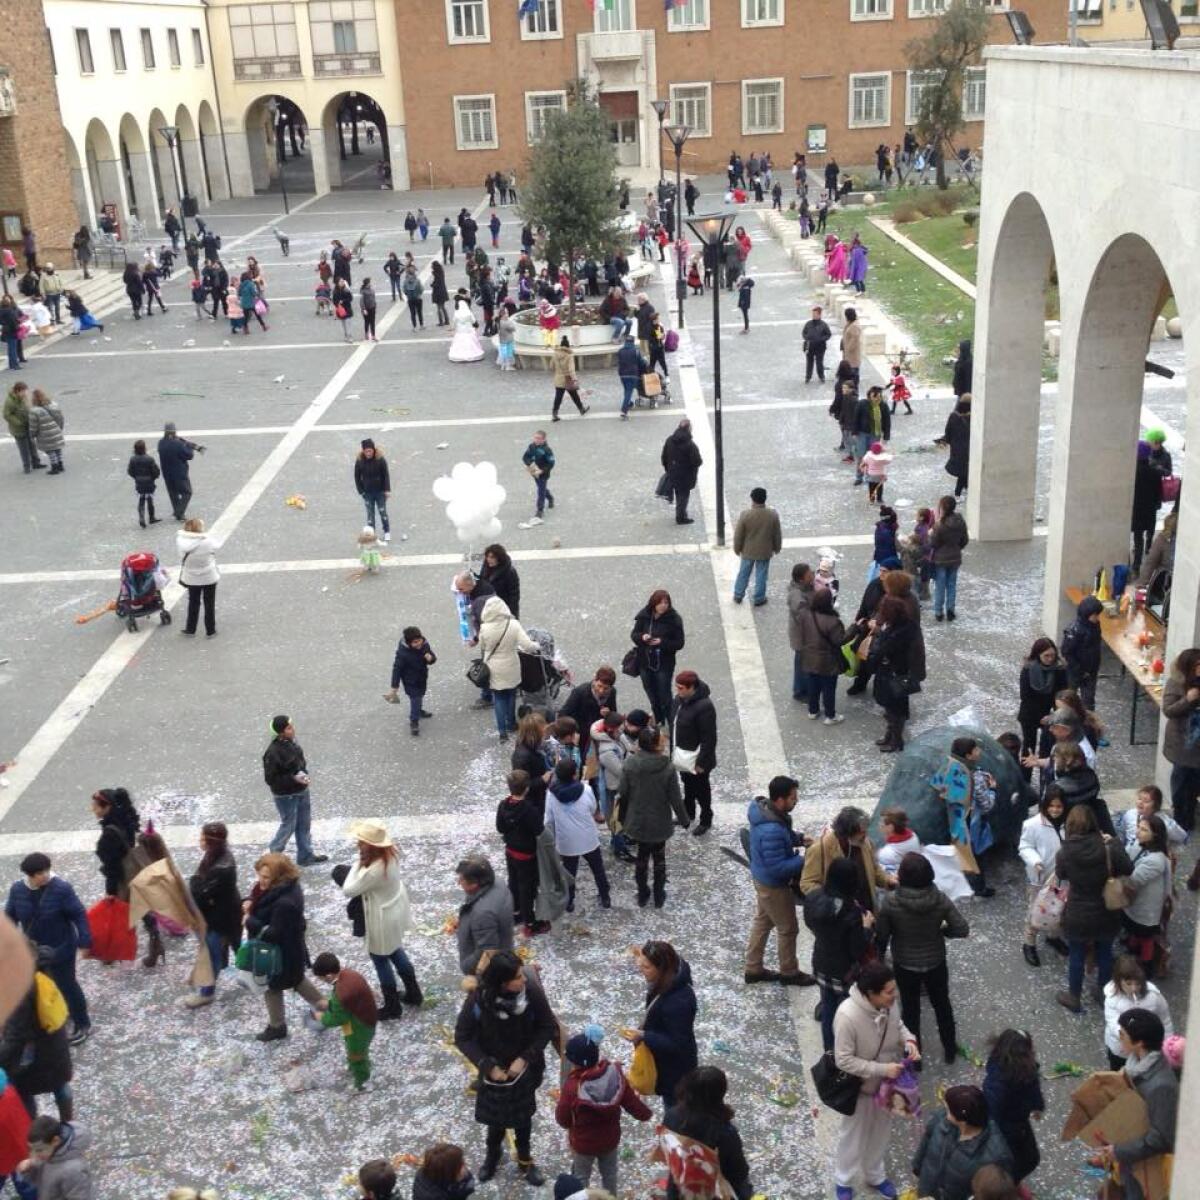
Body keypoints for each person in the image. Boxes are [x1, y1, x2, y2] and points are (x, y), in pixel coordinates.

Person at [453, 949, 555, 1186]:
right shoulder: (479, 1000)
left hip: (525, 1071)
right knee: (495, 1119)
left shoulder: (531, 994)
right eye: (518, 977)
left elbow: (546, 1026)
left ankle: (525, 1159)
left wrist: (525, 1058)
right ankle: (492, 1155)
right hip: (493, 1072)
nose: (525, 979)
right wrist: (487, 1066)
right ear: (502, 983)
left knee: (523, 1119)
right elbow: (463, 1036)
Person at [832, 961, 919, 1200]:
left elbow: (899, 1026)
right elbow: (843, 1060)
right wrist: (882, 1069)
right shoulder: (847, 1016)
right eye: (889, 992)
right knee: (853, 1135)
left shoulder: (890, 1005)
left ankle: (875, 1174)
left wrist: (909, 1041)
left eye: (894, 989)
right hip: (859, 1088)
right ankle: (843, 1179)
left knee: (881, 1133)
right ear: (871, 994)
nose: (895, 995)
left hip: (886, 1087)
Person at [876, 852, 969, 1063]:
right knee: (942, 1006)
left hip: (905, 963)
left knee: (910, 1011)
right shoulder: (940, 899)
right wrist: (943, 931)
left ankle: (915, 1057)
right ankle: (949, 1050)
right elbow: (962, 929)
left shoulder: (891, 903)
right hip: (935, 961)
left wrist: (879, 957)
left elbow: (882, 935)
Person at [4, 856, 91, 1044]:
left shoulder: (61, 889)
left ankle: (82, 1023)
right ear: (30, 876)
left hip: (61, 948)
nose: (45, 876)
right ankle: (54, 1015)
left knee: (67, 985)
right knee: (41, 986)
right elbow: (10, 916)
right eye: (39, 873)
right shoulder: (18, 890)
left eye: (46, 871)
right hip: (34, 952)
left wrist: (84, 940)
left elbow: (78, 914)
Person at [1055, 804, 1132, 1012]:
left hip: (1078, 911)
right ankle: (1103, 991)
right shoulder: (1107, 847)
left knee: (1077, 953)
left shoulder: (1065, 851)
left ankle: (1074, 996)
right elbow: (1128, 868)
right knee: (1105, 952)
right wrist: (1114, 842)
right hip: (1106, 910)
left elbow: (1061, 875)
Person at [555, 1029, 651, 1194]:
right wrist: (645, 1114)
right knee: (610, 1174)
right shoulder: (615, 1075)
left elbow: (563, 1119)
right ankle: (611, 1197)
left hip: (583, 1144)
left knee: (581, 1177)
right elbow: (631, 1102)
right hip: (609, 1140)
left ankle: (580, 1197)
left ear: (575, 1063)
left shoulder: (572, 1087)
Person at [1095, 1009, 1178, 1199]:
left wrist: (1119, 1150)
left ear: (1139, 1043)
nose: (1119, 1037)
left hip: (1146, 1166)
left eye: (1122, 1034)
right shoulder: (1136, 1064)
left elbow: (1161, 1138)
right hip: (1132, 1156)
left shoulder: (1161, 1086)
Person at [341, 820, 421, 1018]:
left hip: (380, 918)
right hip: (393, 911)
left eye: (361, 842)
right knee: (395, 950)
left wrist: (357, 863)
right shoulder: (390, 856)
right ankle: (413, 992)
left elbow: (349, 889)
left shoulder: (374, 869)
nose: (358, 845)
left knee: (380, 959)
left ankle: (392, 1005)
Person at [242, 853, 324, 1041]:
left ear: (278, 878)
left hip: (281, 954)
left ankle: (277, 1026)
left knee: (272, 986)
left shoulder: (284, 902)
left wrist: (249, 921)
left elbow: (273, 933)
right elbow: (258, 898)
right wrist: (248, 902)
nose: (260, 880)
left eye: (265, 877)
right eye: (260, 875)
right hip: (288, 952)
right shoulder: (281, 889)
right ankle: (326, 1009)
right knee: (296, 980)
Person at [743, 776, 813, 987]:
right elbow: (777, 867)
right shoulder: (771, 829)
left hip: (762, 878)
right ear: (781, 799)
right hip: (773, 885)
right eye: (793, 797)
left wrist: (799, 839)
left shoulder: (769, 814)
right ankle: (789, 972)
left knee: (763, 922)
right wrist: (804, 859)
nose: (796, 800)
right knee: (788, 928)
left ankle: (753, 968)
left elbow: (784, 835)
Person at [804, 857, 874, 1051]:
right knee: (848, 1014)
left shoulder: (812, 898)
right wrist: (867, 928)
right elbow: (857, 950)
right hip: (845, 971)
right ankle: (847, 1051)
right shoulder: (850, 912)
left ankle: (829, 1052)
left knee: (828, 1009)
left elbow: (810, 924)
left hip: (821, 963)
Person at [617, 727, 689, 908]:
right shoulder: (667, 767)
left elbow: (623, 792)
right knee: (659, 858)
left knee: (641, 857)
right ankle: (659, 894)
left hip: (638, 820)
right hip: (660, 821)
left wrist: (622, 816)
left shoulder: (630, 764)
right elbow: (675, 798)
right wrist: (684, 819)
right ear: (656, 745)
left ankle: (642, 893)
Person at [623, 941, 697, 1110]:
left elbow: (678, 1042)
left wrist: (644, 1035)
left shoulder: (678, 1002)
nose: (642, 971)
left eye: (647, 967)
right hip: (668, 1064)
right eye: (641, 966)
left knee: (676, 1107)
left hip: (676, 1069)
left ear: (662, 968)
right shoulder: (666, 984)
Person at [661, 1067, 753, 1200]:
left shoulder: (671, 1116)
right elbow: (738, 1172)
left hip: (680, 1184)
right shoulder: (725, 1133)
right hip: (712, 1190)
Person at [912, 1084, 1015, 1200]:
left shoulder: (997, 1156)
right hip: (928, 1191)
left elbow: (993, 1193)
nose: (945, 1113)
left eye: (949, 1111)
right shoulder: (942, 1118)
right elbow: (927, 1138)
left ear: (963, 1121)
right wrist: (917, 1167)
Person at [184, 822, 240, 1009]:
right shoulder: (215, 857)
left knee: (211, 955)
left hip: (218, 919)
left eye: (202, 838)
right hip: (220, 914)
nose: (199, 841)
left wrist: (194, 883)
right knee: (220, 950)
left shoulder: (221, 867)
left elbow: (200, 892)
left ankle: (207, 992)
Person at [546, 758, 611, 911]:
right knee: (598, 868)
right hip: (588, 837)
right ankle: (605, 896)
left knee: (569, 872)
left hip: (567, 841)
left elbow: (548, 819)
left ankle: (569, 901)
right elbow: (593, 807)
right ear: (575, 774)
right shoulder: (586, 790)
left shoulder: (551, 794)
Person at [982, 1030, 1045, 1186]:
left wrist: (1037, 1106)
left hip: (1016, 1122)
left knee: (1027, 1158)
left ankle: (1010, 1182)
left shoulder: (1024, 1070)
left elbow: (1033, 1088)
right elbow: (993, 1106)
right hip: (1009, 1127)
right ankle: (1008, 1185)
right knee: (1027, 1159)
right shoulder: (1002, 1078)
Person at [263, 716, 328, 867]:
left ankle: (305, 855)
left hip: (301, 790)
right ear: (280, 733)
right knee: (289, 825)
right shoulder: (273, 752)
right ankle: (274, 854)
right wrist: (294, 779)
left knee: (304, 824)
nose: (293, 730)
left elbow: (299, 764)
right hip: (286, 796)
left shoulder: (292, 744)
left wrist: (303, 775)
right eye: (289, 728)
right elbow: (271, 780)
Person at [310, 951, 378, 1091]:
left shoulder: (342, 993)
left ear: (328, 976)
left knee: (356, 1052)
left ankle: (363, 1082)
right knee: (353, 1046)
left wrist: (321, 1017)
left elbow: (337, 1018)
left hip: (359, 1026)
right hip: (360, 1019)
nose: (321, 981)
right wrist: (330, 1004)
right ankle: (355, 1064)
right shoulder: (350, 974)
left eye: (321, 978)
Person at [800, 805, 889, 910]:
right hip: (840, 915)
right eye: (861, 832)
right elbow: (807, 883)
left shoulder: (865, 842)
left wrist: (887, 880)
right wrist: (833, 902)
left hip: (866, 908)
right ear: (847, 833)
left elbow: (874, 868)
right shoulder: (819, 849)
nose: (865, 835)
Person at [477, 596, 540, 742]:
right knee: (511, 694)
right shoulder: (513, 624)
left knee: (498, 698)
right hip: (511, 665)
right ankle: (511, 723)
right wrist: (537, 645)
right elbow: (527, 645)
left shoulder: (484, 628)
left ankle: (502, 732)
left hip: (493, 667)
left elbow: (483, 646)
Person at [1018, 788, 1067, 966]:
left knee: (1057, 908)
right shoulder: (1032, 824)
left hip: (1060, 878)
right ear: (1045, 806)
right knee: (1035, 910)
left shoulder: (1067, 823)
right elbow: (1024, 846)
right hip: (1039, 877)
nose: (1055, 810)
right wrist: (1035, 861)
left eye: (1059, 806)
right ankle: (1029, 943)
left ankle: (1053, 937)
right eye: (1051, 806)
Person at [869, 595, 919, 752]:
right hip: (900, 672)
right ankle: (891, 736)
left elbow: (881, 650)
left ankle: (896, 740)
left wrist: (879, 633)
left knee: (894, 710)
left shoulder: (896, 633)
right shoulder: (907, 626)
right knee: (894, 709)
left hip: (893, 673)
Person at [1122, 813, 1171, 972]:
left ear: (1154, 835)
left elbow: (1134, 880)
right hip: (1136, 904)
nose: (1138, 832)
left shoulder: (1156, 860)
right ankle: (1133, 951)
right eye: (1138, 827)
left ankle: (1146, 965)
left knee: (1145, 937)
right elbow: (1126, 855)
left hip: (1146, 909)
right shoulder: (1140, 844)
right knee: (1136, 931)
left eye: (1143, 830)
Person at [670, 670, 717, 836]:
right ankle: (688, 813)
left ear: (692, 688)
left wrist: (701, 763)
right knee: (688, 786)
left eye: (681, 688)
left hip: (697, 759)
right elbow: (673, 726)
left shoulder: (705, 706)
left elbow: (709, 738)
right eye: (677, 687)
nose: (678, 691)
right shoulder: (679, 700)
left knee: (702, 790)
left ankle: (706, 818)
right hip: (683, 756)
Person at [497, 770, 543, 932]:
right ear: (527, 788)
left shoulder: (503, 805)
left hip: (510, 850)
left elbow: (500, 827)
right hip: (526, 854)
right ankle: (529, 922)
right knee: (527, 887)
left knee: (513, 882)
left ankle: (515, 912)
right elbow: (539, 830)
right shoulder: (529, 810)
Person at [631, 590, 685, 725]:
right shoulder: (645, 616)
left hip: (664, 664)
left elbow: (679, 643)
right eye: (660, 603)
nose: (663, 606)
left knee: (665, 695)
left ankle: (671, 721)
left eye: (666, 603)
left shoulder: (674, 619)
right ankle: (658, 719)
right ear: (654, 604)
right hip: (645, 662)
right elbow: (634, 634)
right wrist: (642, 637)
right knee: (651, 693)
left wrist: (662, 642)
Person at [1161, 646, 1200, 832]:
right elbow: (1169, 710)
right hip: (1183, 743)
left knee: (1194, 784)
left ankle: (1189, 815)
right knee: (1180, 782)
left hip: (1198, 743)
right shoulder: (1176, 682)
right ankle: (1180, 818)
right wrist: (1188, 699)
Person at [454, 856, 515, 973]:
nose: (458, 883)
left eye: (462, 880)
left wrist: (467, 967)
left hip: (491, 969)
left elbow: (487, 951)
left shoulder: (483, 913)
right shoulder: (498, 883)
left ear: (474, 884)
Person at [797, 587, 846, 724]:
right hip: (828, 661)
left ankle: (813, 710)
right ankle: (830, 715)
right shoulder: (833, 621)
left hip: (810, 657)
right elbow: (839, 640)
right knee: (829, 688)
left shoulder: (806, 615)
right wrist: (855, 629)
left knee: (813, 684)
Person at [13, 1116, 93, 1199]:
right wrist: (30, 1168)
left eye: (39, 1150)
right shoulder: (49, 1152)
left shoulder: (74, 1172)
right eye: (30, 1149)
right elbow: (43, 1175)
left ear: (55, 1141)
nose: (33, 1156)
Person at [1017, 638, 1069, 766]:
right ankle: (1025, 777)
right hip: (1030, 713)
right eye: (1046, 656)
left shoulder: (1059, 670)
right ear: (1038, 655)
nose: (1050, 659)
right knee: (1029, 747)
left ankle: (1045, 776)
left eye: (1052, 655)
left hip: (1051, 714)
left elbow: (1062, 695)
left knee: (1047, 747)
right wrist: (1040, 717)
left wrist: (1054, 716)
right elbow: (1025, 696)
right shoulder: (1028, 669)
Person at [731, 487, 782, 606]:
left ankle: (738, 594)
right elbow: (777, 533)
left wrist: (737, 548)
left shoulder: (745, 515)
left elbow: (739, 535)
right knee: (761, 574)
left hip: (748, 550)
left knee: (743, 573)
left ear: (752, 499)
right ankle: (759, 598)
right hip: (764, 550)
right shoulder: (772, 515)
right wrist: (777, 547)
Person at [386, 626, 437, 736]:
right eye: (415, 642)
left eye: (419, 641)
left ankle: (418, 710)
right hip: (410, 681)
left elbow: (432, 658)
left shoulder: (424, 644)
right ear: (409, 643)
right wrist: (394, 686)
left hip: (422, 676)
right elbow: (397, 669)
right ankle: (414, 721)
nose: (418, 644)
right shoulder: (402, 654)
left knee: (421, 694)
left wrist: (431, 658)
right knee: (416, 698)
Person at [1114, 784, 1188, 856]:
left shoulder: (1165, 822)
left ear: (1156, 805)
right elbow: (1122, 832)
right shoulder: (1130, 814)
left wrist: (1170, 852)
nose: (1140, 802)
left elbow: (1182, 836)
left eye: (1146, 801)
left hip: (1151, 855)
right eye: (1139, 798)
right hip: (1129, 854)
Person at [177, 517, 220, 639]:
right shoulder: (207, 541)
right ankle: (210, 630)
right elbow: (217, 545)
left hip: (191, 576)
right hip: (208, 575)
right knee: (209, 603)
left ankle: (190, 629)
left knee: (193, 602)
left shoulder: (180, 541)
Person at [561, 667, 618, 758]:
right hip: (580, 733)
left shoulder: (612, 692)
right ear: (595, 680)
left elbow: (614, 714)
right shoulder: (580, 692)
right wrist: (573, 732)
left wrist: (609, 714)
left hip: (598, 732)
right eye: (599, 686)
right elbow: (563, 714)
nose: (601, 691)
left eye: (606, 688)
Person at [930, 496, 969, 623]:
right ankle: (950, 610)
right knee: (952, 584)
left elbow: (933, 543)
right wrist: (957, 548)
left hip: (940, 559)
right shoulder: (960, 521)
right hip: (955, 557)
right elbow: (965, 540)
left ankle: (938, 612)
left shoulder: (939, 525)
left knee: (940, 586)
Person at [661, 419, 702, 525]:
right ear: (688, 428)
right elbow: (697, 461)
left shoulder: (669, 440)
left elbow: (664, 457)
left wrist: (668, 469)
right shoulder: (690, 444)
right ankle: (681, 517)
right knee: (683, 496)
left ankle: (681, 513)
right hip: (686, 475)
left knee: (678, 493)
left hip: (673, 473)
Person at [1131, 441, 1161, 574]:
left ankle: (1136, 565)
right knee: (1148, 534)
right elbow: (1159, 492)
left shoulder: (1133, 471)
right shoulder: (1155, 472)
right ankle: (1148, 557)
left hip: (1136, 508)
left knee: (1138, 537)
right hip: (1149, 509)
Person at [354, 439, 392, 546]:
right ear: (363, 451)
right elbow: (357, 477)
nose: (368, 453)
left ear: (374, 450)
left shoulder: (380, 460)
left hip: (380, 492)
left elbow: (386, 475)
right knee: (370, 515)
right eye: (366, 451)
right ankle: (372, 535)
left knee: (382, 512)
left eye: (370, 451)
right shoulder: (360, 461)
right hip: (367, 493)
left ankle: (387, 531)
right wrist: (361, 491)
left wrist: (387, 490)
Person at [157, 422, 197, 522]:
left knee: (173, 493)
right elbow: (189, 456)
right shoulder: (178, 444)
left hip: (166, 472)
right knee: (187, 492)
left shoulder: (161, 443)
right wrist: (189, 447)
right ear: (174, 432)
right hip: (179, 473)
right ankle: (179, 512)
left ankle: (178, 512)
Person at [410, 1143, 475, 1200]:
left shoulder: (428, 1172)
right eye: (461, 1165)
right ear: (449, 1172)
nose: (465, 1166)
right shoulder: (432, 1196)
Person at [938, 397, 972, 499]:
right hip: (969, 448)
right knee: (965, 470)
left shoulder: (953, 416)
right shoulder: (973, 417)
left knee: (963, 470)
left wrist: (946, 441)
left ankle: (961, 491)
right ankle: (960, 492)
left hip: (956, 448)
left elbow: (948, 432)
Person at [4, 383, 42, 473]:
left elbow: (28, 407)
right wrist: (18, 422)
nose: (25, 393)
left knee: (32, 445)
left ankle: (36, 463)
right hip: (18, 429)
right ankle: (27, 467)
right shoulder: (10, 401)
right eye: (23, 391)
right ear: (17, 391)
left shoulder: (23, 398)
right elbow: (7, 415)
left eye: (26, 391)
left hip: (28, 425)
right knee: (24, 449)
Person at [522, 428, 556, 524]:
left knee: (540, 490)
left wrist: (542, 471)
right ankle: (550, 498)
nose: (536, 440)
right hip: (534, 472)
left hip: (543, 474)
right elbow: (525, 457)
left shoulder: (547, 450)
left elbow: (551, 463)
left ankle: (540, 510)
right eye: (535, 438)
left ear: (543, 440)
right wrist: (530, 464)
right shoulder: (531, 446)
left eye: (538, 438)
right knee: (541, 488)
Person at [26, 391, 64, 475]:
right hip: (56, 430)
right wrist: (59, 428)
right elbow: (60, 418)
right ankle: (60, 465)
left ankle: (55, 468)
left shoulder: (34, 411)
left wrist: (32, 434)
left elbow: (33, 426)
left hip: (45, 433)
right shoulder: (53, 405)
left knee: (50, 451)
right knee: (57, 448)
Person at [126, 439, 162, 528]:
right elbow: (156, 471)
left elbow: (130, 471)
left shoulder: (133, 459)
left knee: (141, 500)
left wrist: (136, 477)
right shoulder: (149, 459)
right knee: (150, 500)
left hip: (139, 482)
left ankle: (141, 517)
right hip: (149, 482)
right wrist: (154, 477)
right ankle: (151, 517)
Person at [617, 334, 649, 420]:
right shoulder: (636, 351)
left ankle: (629, 403)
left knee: (627, 390)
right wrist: (645, 361)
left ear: (626, 342)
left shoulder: (620, 351)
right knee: (628, 392)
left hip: (622, 374)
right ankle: (624, 412)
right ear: (633, 342)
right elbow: (641, 362)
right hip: (632, 374)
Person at [449, 298, 484, 363]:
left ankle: (460, 355)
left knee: (459, 343)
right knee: (470, 342)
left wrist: (453, 328)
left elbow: (454, 322)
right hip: (468, 330)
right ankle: (471, 354)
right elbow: (473, 321)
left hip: (460, 331)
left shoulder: (457, 313)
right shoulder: (469, 313)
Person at [430, 260, 451, 326]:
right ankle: (447, 320)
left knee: (439, 308)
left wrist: (432, 285)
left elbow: (436, 283)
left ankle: (441, 321)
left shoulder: (436, 274)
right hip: (443, 291)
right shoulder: (441, 272)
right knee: (443, 307)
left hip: (438, 293)